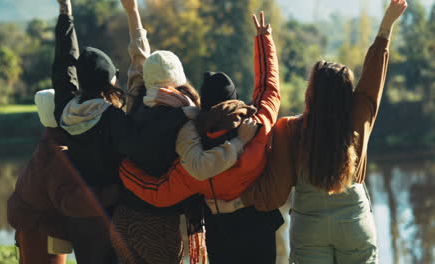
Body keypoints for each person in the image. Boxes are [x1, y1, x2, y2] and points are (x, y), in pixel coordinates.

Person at [239, 1, 408, 263]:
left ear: (311, 93)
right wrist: (386, 26)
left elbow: (276, 192)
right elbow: (372, 80)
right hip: (354, 224)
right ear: (347, 95)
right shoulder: (357, 118)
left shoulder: (288, 129)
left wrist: (235, 198)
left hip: (310, 229)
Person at [117, 10, 282, 264]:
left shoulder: (191, 145)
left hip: (218, 234)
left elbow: (159, 192)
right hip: (260, 228)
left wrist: (125, 170)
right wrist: (263, 38)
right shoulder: (257, 125)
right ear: (235, 99)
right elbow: (268, 89)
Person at [7, 1, 121, 263]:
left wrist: (64, 16)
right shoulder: (113, 119)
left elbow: (64, 65)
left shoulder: (65, 118)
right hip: (101, 219)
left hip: (70, 229)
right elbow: (69, 199)